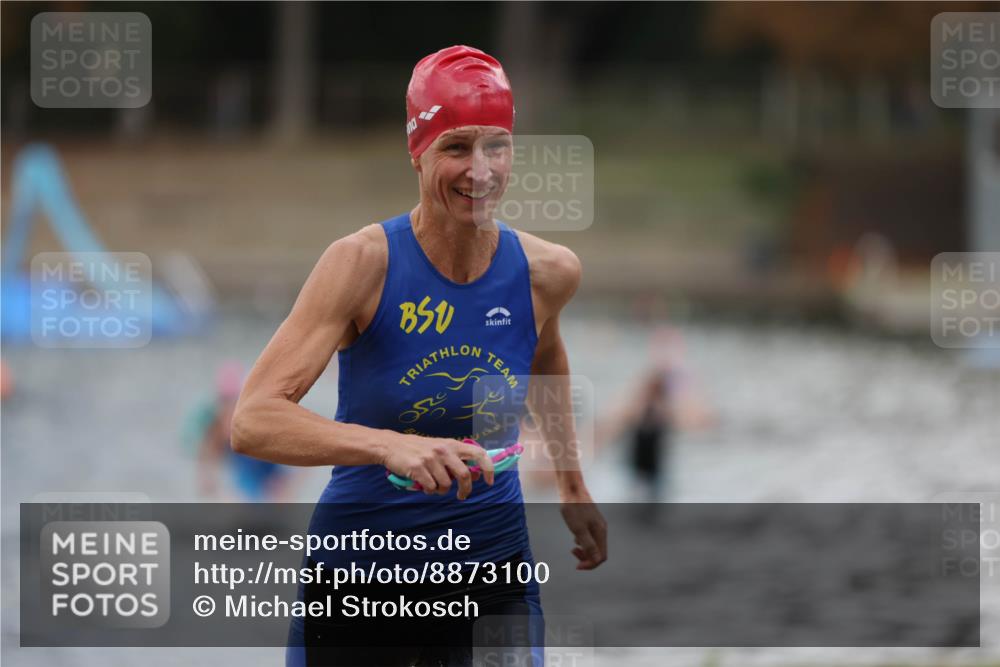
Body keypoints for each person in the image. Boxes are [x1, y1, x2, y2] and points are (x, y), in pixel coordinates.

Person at [231, 45, 606, 666]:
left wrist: (572, 485)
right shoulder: (361, 263)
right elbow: (253, 419)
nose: (480, 171)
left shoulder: (548, 273)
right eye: (456, 147)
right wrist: (389, 446)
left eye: (497, 146)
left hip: (491, 568)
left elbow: (545, 358)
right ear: (418, 152)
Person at [187, 361, 291, 501]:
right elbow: (207, 457)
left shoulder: (261, 422)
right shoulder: (215, 425)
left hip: (266, 466)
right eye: (225, 402)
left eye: (233, 402)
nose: (229, 408)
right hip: (247, 467)